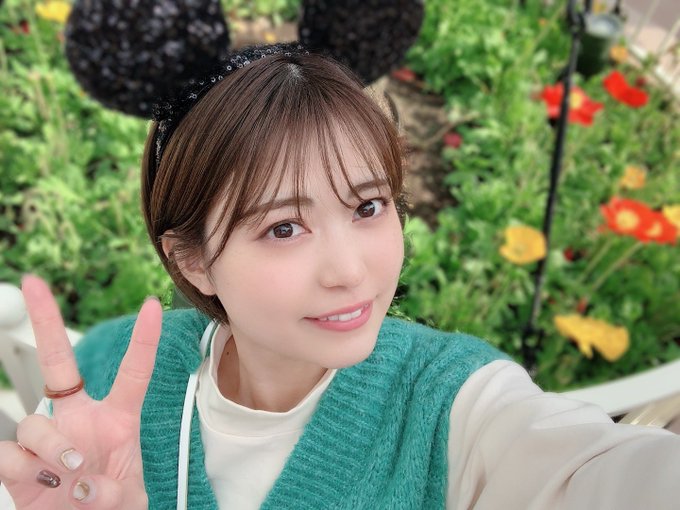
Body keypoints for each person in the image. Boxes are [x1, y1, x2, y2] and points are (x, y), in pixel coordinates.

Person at [1, 43, 679, 510]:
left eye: (368, 207)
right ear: (192, 260)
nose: (351, 271)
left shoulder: (452, 404)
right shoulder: (112, 379)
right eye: (283, 228)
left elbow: (607, 473)